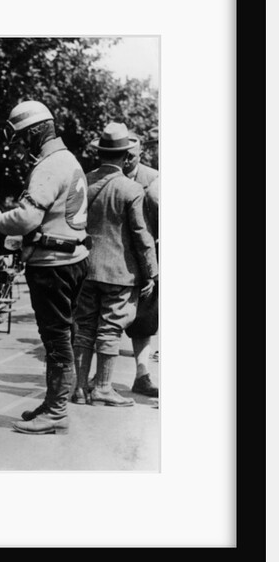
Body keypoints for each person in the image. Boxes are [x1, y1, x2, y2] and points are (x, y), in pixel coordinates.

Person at [0, 101, 90, 435]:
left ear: (35, 131)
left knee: (56, 338)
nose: (20, 145)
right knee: (61, 336)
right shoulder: (67, 159)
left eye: (21, 137)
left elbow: (28, 217)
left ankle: (57, 411)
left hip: (52, 265)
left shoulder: (48, 166)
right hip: (72, 259)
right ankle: (52, 402)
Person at [71, 122, 158, 407]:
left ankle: (80, 388)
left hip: (85, 268)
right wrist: (151, 273)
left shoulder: (85, 180)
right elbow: (141, 235)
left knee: (84, 327)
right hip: (119, 273)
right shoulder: (131, 188)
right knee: (109, 329)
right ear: (124, 155)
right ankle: (104, 388)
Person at [122, 127, 160, 397]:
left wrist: (153, 268)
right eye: (122, 154)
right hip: (115, 257)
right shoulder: (106, 175)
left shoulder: (155, 180)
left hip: (146, 258)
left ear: (141, 152)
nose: (126, 160)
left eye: (132, 155)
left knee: (144, 318)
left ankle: (142, 373)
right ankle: (95, 380)